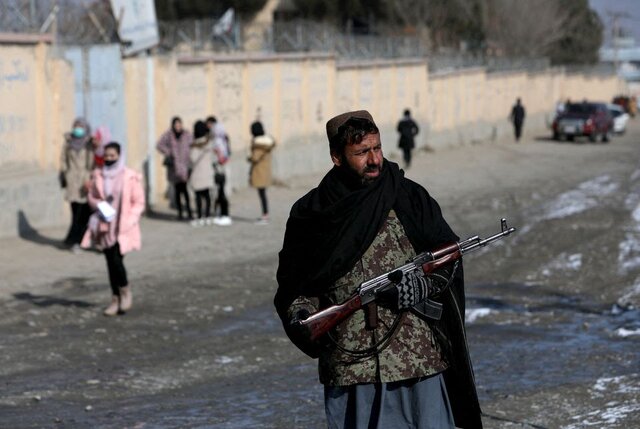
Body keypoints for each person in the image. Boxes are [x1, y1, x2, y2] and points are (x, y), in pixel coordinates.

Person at [274, 110, 482, 429]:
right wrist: (300, 314)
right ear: (337, 157)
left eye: (377, 148)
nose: (374, 160)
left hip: (416, 358)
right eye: (361, 153)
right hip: (350, 364)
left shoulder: (408, 196)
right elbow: (295, 284)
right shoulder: (312, 214)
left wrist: (423, 286)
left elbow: (448, 255)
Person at [82, 142, 145, 316]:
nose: (109, 159)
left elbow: (138, 202)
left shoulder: (130, 176)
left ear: (119, 155)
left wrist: (130, 219)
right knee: (109, 262)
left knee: (117, 259)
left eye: (112, 156)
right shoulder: (98, 175)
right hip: (105, 225)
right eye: (106, 156)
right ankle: (115, 299)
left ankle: (125, 291)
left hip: (123, 226)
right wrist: (100, 205)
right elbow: (92, 197)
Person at [59, 117, 94, 252]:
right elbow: (63, 160)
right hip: (72, 182)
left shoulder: (89, 143)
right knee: (76, 213)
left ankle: (78, 240)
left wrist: (90, 179)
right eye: (76, 126)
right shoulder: (68, 142)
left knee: (84, 213)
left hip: (85, 182)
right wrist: (65, 174)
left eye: (81, 126)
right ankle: (74, 240)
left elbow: (92, 163)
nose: (78, 129)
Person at [156, 117, 193, 220]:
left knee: (185, 190)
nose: (178, 127)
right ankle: (180, 213)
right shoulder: (168, 135)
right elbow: (159, 145)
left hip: (185, 166)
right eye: (176, 125)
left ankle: (189, 211)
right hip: (174, 167)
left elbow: (192, 145)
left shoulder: (187, 135)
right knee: (177, 190)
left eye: (179, 124)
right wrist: (168, 152)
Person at [248, 120, 275, 224]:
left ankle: (265, 215)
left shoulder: (258, 144)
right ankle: (265, 214)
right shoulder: (267, 141)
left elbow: (255, 158)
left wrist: (249, 158)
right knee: (263, 194)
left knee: (262, 194)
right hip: (266, 171)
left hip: (259, 172)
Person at [206, 116, 232, 226]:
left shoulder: (217, 141)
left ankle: (222, 214)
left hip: (219, 169)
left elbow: (220, 157)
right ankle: (221, 214)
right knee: (221, 192)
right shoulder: (224, 139)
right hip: (223, 168)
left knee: (220, 192)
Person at [189, 120, 214, 226]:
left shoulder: (196, 146)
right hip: (207, 172)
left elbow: (192, 159)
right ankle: (207, 216)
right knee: (207, 195)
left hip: (198, 174)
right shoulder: (209, 143)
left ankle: (199, 217)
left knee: (198, 196)